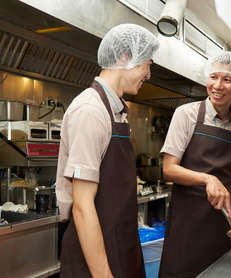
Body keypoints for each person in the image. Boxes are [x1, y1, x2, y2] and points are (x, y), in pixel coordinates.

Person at [56, 24, 160, 278]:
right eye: (147, 64)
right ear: (126, 58)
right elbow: (82, 206)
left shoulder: (117, 112)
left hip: (120, 243)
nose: (148, 74)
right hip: (94, 255)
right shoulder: (91, 110)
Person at [158, 51, 231, 278]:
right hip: (187, 220)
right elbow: (168, 169)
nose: (218, 85)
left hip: (223, 221)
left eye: (227, 80)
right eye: (213, 77)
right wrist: (207, 178)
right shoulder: (185, 115)